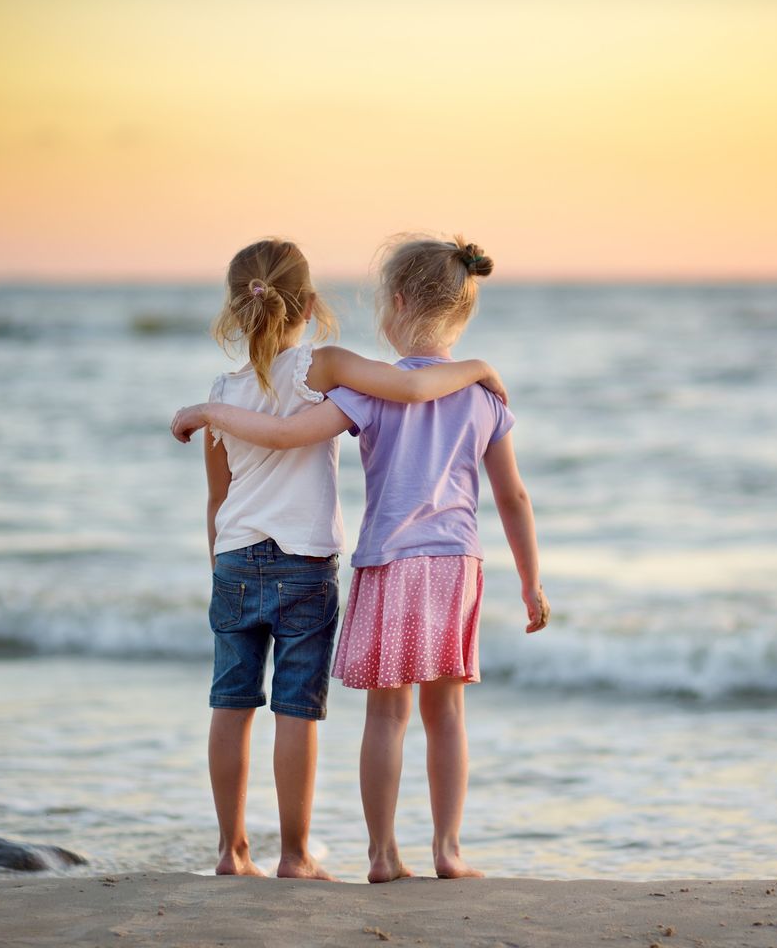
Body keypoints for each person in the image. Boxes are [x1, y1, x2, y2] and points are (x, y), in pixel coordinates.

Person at [172, 234, 549, 883]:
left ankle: (377, 854)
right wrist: (532, 583)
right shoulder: (481, 397)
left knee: (379, 714)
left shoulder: (356, 391)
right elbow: (513, 496)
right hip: (453, 567)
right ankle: (445, 849)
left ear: (396, 302)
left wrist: (213, 412)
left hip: (379, 565)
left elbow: (272, 451)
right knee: (445, 714)